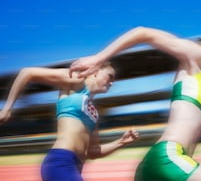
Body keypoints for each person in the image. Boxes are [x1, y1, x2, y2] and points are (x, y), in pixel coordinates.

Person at [69, 26, 201, 181]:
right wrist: (99, 59)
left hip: (160, 166)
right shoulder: (197, 58)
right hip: (169, 158)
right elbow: (143, 32)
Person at [0, 62, 139, 181]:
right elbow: (27, 73)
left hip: (76, 167)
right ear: (95, 72)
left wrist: (122, 142)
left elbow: (93, 151)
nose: (112, 82)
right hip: (61, 161)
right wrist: (7, 109)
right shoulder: (76, 80)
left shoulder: (94, 113)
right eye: (110, 77)